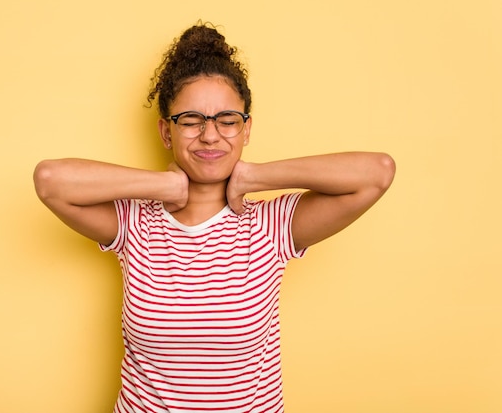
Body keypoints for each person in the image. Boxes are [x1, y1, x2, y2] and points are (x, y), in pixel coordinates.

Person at [34, 22, 395, 413]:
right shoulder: (135, 224)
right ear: (166, 132)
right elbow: (51, 180)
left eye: (227, 120)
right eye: (190, 120)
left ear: (246, 129)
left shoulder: (271, 227)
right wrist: (163, 186)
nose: (209, 135)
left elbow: (377, 172)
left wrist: (256, 176)